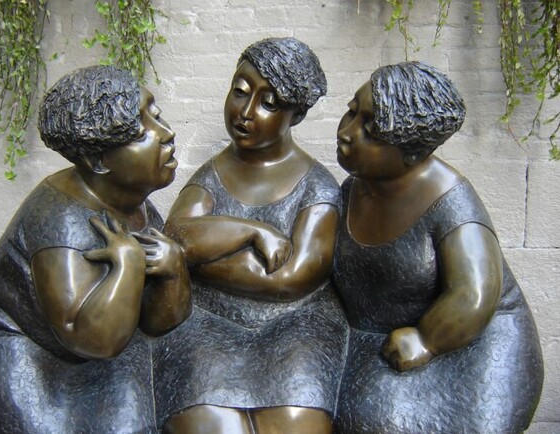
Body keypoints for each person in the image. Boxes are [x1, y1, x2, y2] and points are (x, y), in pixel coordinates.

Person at [0, 65, 191, 434]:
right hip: (20, 363)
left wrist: (173, 271)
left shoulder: (131, 201)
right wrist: (129, 263)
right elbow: (92, 339)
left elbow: (157, 323)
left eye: (156, 115)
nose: (166, 133)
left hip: (92, 349)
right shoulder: (59, 221)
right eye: (141, 133)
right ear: (97, 161)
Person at [332, 61, 544, 433]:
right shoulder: (356, 188)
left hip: (465, 342)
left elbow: (474, 293)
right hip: (381, 334)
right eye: (351, 112)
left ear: (413, 151)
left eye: (371, 130)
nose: (347, 133)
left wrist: (427, 340)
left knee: (376, 421)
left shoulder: (450, 203)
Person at [159, 37, 348, 434]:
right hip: (208, 321)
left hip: (296, 324)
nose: (245, 112)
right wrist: (251, 232)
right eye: (240, 91)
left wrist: (203, 254)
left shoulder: (316, 187)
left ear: (296, 115)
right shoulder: (212, 175)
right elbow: (176, 235)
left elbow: (292, 277)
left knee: (296, 423)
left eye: (269, 103)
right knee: (209, 423)